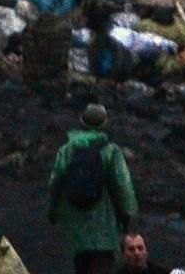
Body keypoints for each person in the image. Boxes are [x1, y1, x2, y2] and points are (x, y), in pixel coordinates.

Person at [46, 103, 141, 274]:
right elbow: (122, 186)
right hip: (105, 231)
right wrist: (129, 217)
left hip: (76, 229)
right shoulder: (111, 151)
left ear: (82, 123)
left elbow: (55, 182)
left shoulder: (66, 150)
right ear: (105, 125)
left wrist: (53, 212)